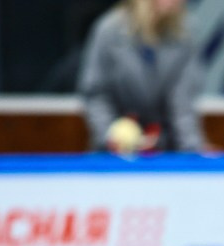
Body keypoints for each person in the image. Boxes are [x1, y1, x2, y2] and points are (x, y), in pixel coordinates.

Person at [78, 0, 205, 154]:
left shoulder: (185, 33)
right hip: (112, 154)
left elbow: (182, 103)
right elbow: (96, 94)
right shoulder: (109, 30)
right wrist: (110, 136)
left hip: (164, 153)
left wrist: (194, 151)